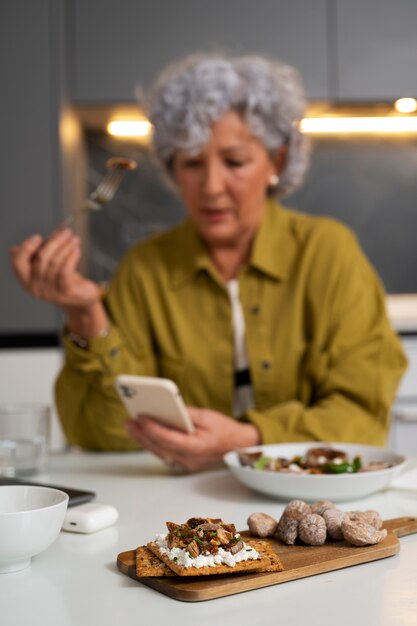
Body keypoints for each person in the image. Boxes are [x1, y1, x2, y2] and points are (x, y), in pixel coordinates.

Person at [10, 53, 407, 472]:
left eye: (234, 162)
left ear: (277, 162)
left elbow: (363, 420)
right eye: (193, 163)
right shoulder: (146, 270)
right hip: (182, 510)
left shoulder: (329, 254)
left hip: (311, 505)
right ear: (172, 169)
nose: (212, 187)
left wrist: (249, 441)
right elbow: (97, 433)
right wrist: (84, 314)